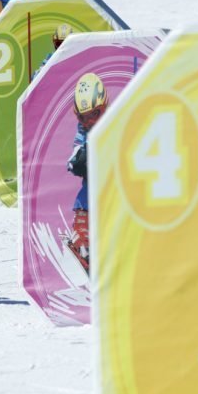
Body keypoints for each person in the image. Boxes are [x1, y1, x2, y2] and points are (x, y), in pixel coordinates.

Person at [65, 73, 108, 272]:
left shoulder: (114, 120)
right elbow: (77, 148)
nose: (88, 121)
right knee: (87, 193)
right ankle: (82, 241)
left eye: (94, 114)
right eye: (83, 117)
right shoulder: (83, 131)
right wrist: (79, 158)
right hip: (95, 182)